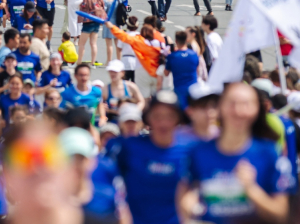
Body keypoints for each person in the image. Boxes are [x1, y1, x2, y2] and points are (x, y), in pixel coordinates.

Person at [178, 82, 291, 223]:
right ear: (220, 107)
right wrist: (189, 206)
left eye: (246, 104)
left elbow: (281, 215)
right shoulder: (198, 153)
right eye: (232, 103)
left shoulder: (270, 154)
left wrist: (251, 190)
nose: (238, 111)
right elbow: (185, 197)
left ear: (257, 109)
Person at [107, 91, 193, 224]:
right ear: (148, 119)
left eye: (170, 116)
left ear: (178, 119)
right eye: (157, 116)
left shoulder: (189, 150)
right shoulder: (130, 147)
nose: (163, 123)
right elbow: (112, 181)